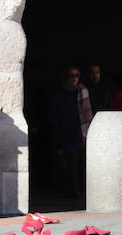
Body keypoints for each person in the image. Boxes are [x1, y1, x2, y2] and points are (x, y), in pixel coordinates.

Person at [49, 66, 93, 199]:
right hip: (67, 132)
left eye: (76, 76)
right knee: (71, 164)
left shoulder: (83, 91)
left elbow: (88, 111)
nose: (73, 79)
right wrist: (59, 128)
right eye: (70, 76)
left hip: (82, 131)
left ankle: (86, 190)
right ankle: (76, 191)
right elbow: (53, 113)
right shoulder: (60, 93)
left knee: (84, 164)